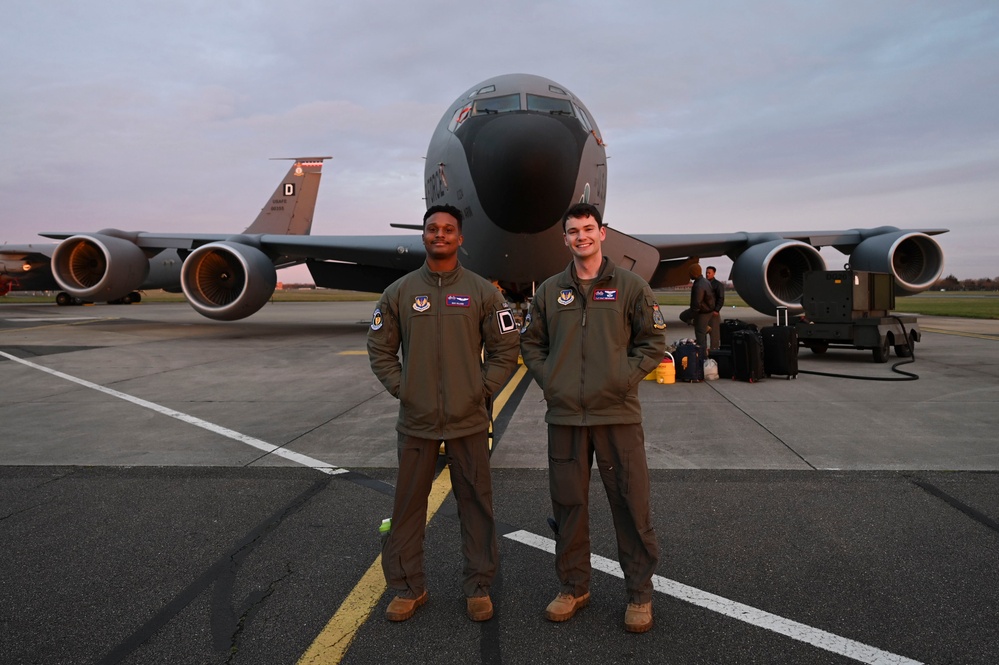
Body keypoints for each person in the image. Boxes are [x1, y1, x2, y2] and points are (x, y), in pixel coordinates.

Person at [367, 204, 520, 623]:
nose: (440, 235)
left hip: (468, 420)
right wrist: (403, 389)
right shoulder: (398, 292)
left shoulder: (483, 292)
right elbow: (379, 348)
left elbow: (507, 347)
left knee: (476, 505)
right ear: (423, 236)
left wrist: (483, 389)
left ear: (460, 238)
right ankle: (407, 587)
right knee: (407, 507)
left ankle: (478, 587)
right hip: (416, 422)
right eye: (432, 229)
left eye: (448, 229)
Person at [520, 202, 666, 634]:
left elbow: (653, 341)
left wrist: (623, 379)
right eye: (573, 230)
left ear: (602, 233)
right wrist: (553, 381)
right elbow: (532, 344)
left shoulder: (631, 287)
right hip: (565, 417)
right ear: (564, 238)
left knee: (630, 503)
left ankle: (639, 593)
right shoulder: (549, 291)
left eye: (588, 228)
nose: (581, 236)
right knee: (568, 506)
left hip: (617, 414)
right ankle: (573, 586)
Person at [678, 263, 714, 350]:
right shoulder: (705, 281)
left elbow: (697, 303)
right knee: (701, 331)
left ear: (694, 273)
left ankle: (702, 357)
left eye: (690, 273)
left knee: (700, 336)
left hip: (702, 311)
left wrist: (692, 316)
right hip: (708, 310)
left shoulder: (698, 285)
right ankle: (704, 328)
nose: (689, 275)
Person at [706, 265, 725, 351]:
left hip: (713, 312)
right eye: (706, 272)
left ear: (714, 273)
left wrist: (717, 310)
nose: (707, 274)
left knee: (714, 334)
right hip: (705, 312)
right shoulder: (704, 283)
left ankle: (714, 350)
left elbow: (721, 298)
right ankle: (704, 350)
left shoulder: (718, 285)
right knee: (703, 332)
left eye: (709, 273)